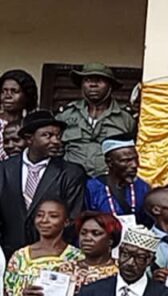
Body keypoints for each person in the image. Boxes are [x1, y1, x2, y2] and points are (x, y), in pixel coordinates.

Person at [0, 110, 86, 257]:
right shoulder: (4, 169)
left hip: (53, 256)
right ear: (29, 139)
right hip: (8, 253)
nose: (56, 141)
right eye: (48, 135)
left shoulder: (71, 173)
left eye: (58, 136)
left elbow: (73, 218)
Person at [56, 63, 136, 177]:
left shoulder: (127, 118)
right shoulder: (66, 115)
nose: (93, 85)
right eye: (88, 80)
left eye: (99, 81)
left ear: (110, 86)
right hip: (70, 181)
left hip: (109, 182)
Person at [85, 137, 151, 226]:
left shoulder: (143, 187)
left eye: (136, 159)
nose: (135, 165)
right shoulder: (92, 188)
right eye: (126, 161)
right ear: (109, 162)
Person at [0, 69, 38, 159]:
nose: (7, 96)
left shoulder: (32, 126)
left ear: (27, 95)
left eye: (14, 91)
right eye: (3, 91)